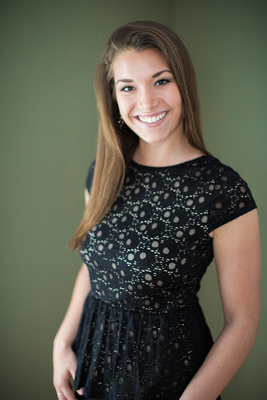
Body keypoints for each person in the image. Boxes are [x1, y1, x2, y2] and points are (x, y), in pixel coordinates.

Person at [53, 21, 261, 400]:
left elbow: (243, 323)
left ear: (183, 83)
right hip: (90, 361)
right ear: (113, 97)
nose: (146, 102)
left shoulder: (223, 191)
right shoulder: (102, 172)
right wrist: (61, 342)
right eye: (128, 87)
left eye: (161, 81)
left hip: (168, 379)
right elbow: (95, 267)